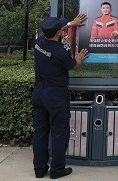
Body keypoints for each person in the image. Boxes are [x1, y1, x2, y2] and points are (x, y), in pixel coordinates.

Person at [32, 14, 89, 179]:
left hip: (39, 93)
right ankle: (57, 170)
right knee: (59, 132)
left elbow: (55, 31)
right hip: (56, 95)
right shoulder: (60, 52)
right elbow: (74, 66)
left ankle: (39, 169)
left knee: (40, 132)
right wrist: (78, 58)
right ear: (58, 33)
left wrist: (71, 24)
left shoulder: (39, 43)